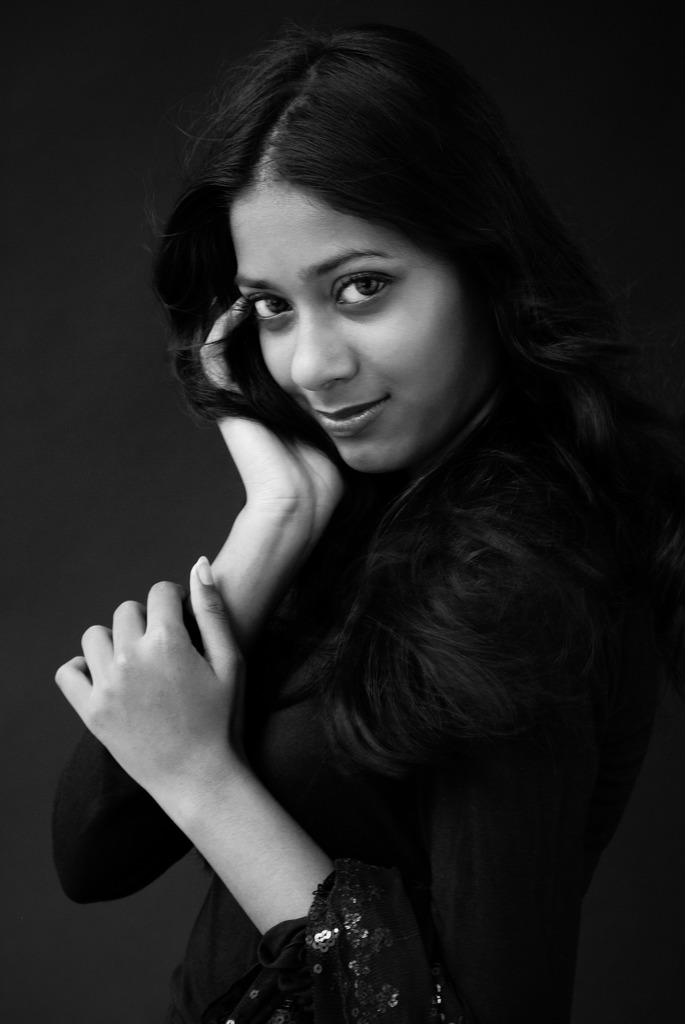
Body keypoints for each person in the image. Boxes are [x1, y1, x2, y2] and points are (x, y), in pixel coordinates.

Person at [52, 23, 685, 1024]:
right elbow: (92, 852)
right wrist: (276, 521)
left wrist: (205, 778)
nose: (311, 366)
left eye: (361, 288)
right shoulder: (369, 512)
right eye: (271, 306)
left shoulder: (517, 577)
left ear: (482, 265)